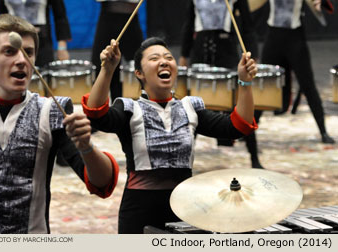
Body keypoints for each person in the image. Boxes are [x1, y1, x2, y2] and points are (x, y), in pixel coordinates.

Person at [81, 37, 258, 233]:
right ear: (139, 73)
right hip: (139, 210)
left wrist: (245, 82)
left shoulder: (190, 107)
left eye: (168, 57)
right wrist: (107, 69)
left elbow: (238, 126)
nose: (164, 61)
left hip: (186, 208)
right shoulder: (129, 108)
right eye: (154, 58)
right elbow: (96, 112)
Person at [0, 14, 119, 234]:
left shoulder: (51, 111)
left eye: (28, 52)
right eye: (9, 51)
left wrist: (86, 145)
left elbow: (102, 184)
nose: (22, 60)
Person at [179, 0, 264, 168]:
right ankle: (183, 161)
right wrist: (184, 54)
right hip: (200, 51)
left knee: (237, 103)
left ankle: (254, 159)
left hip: (227, 51)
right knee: (194, 106)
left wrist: (252, 53)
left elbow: (247, 27)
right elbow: (189, 23)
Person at [0, 0, 73, 166]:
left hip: (41, 40)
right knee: (13, 95)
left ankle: (61, 150)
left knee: (50, 95)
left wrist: (62, 46)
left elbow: (60, 15)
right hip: (10, 43)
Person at [260, 0, 335, 144]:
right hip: (273, 36)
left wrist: (320, 3)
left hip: (294, 37)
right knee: (262, 83)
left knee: (308, 84)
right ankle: (248, 130)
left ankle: (323, 131)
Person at [91, 0, 143, 102]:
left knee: (142, 65)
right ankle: (107, 107)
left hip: (131, 17)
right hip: (107, 17)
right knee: (102, 64)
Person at [0, 0, 71, 68]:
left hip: (42, 43)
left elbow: (60, 16)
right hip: (13, 42)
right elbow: (0, 17)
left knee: (42, 76)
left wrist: (62, 48)